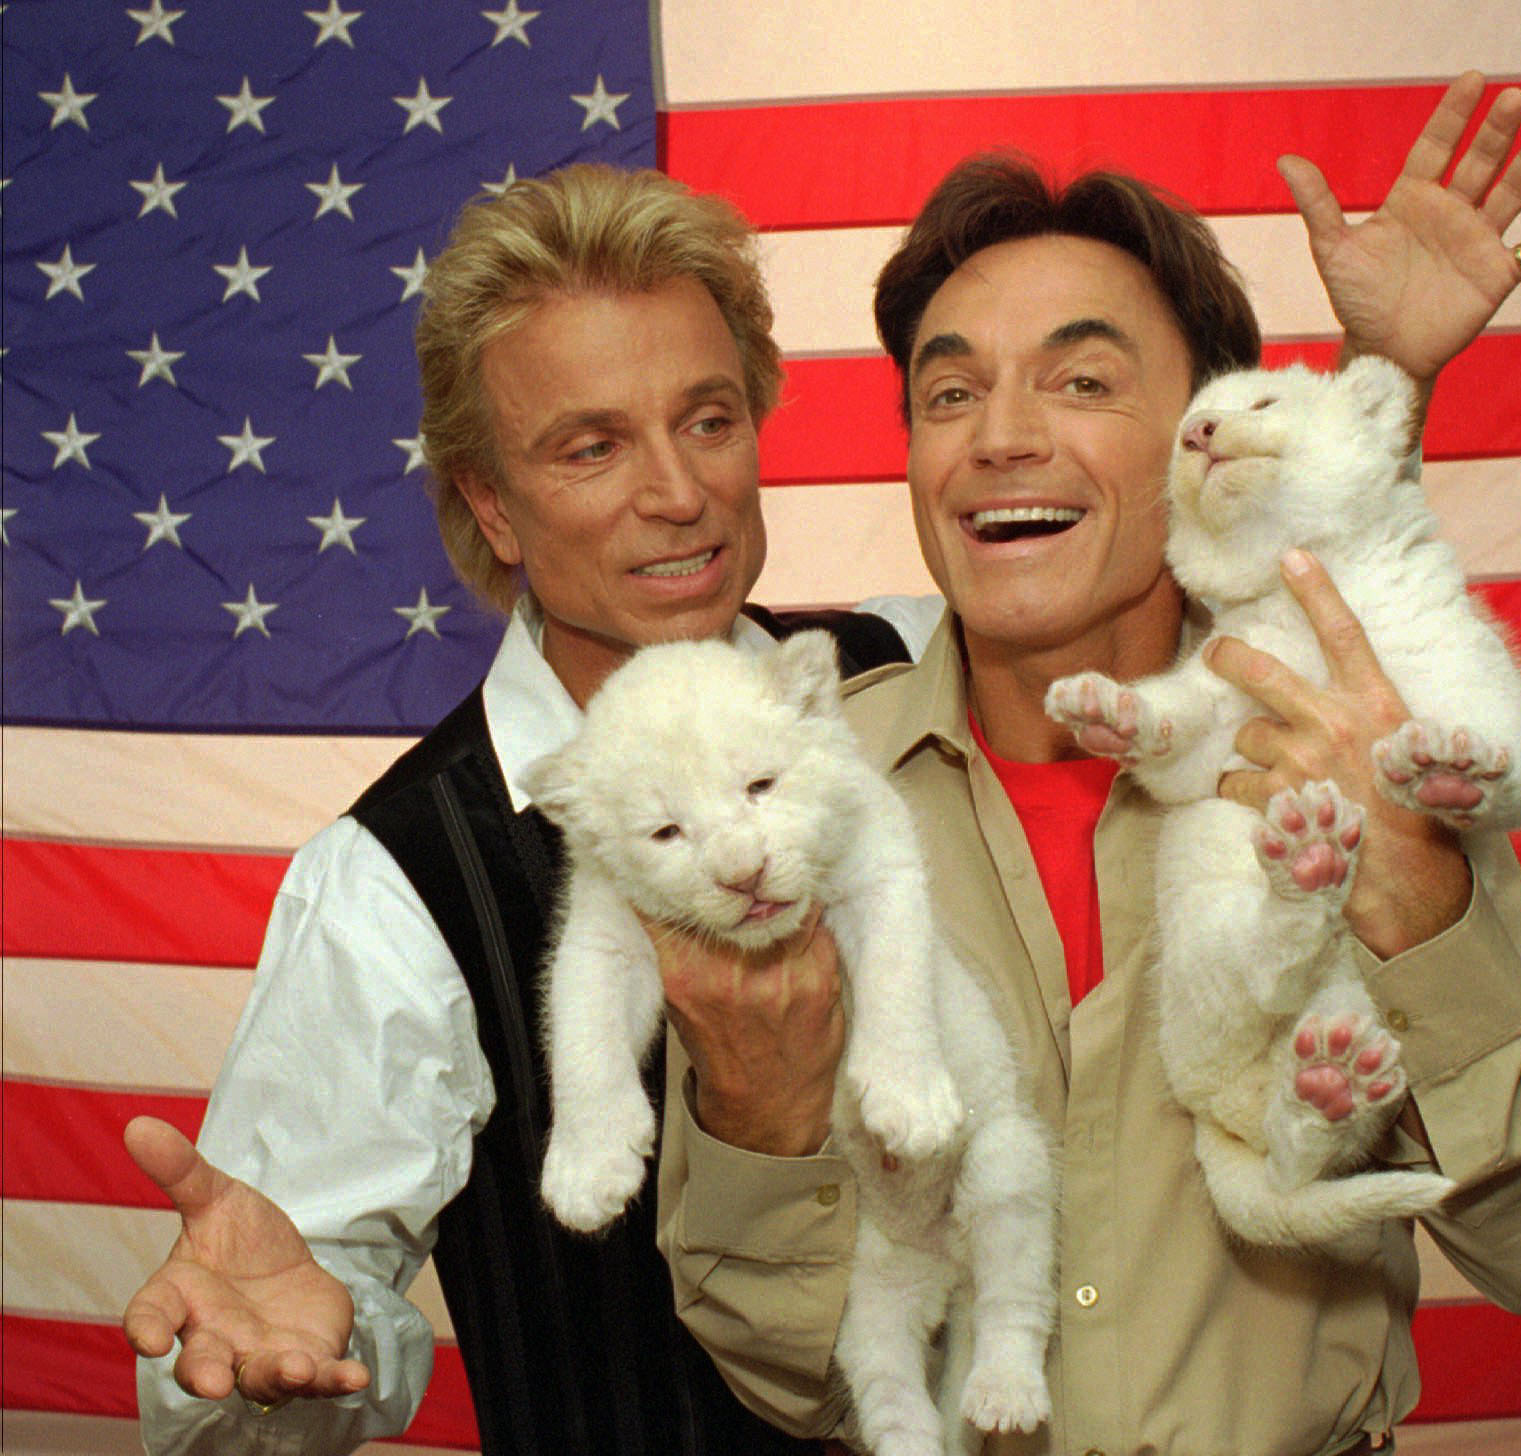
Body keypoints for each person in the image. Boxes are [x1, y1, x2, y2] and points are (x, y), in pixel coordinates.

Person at [655, 73, 1521, 1455]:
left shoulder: (1352, 735)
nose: (1001, 437)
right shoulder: (796, 797)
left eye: (1082, 380)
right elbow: (774, 1356)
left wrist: (1409, 885)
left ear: (1199, 435)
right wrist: (759, 1106)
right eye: (951, 392)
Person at [123, 163, 936, 1455]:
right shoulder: (396, 880)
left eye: (709, 419)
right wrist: (281, 1356)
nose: (678, 493)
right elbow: (264, 1341)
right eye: (592, 447)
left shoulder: (906, 671)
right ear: (492, 505)